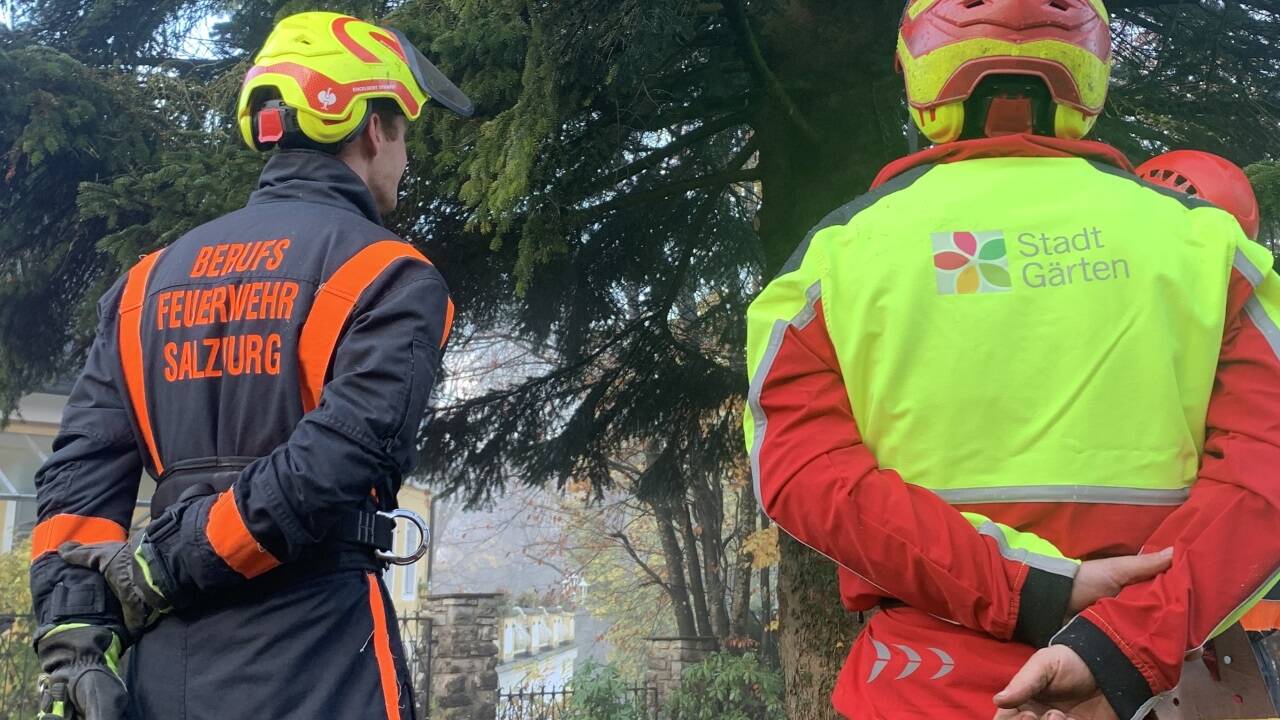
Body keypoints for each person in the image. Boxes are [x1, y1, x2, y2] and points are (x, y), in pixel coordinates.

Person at [744, 1, 1280, 718]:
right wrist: (1120, 644)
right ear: (1092, 70)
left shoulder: (830, 263)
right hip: (1152, 686)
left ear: (914, 68)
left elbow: (802, 475)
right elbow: (1264, 473)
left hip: (919, 683)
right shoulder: (1213, 251)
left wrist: (1035, 587)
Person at [29, 12, 471, 719]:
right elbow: (338, 461)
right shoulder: (390, 275)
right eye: (402, 131)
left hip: (164, 676)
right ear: (371, 129)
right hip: (322, 658)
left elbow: (78, 478)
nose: (404, 156)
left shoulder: (145, 284)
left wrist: (74, 643)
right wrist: (166, 564)